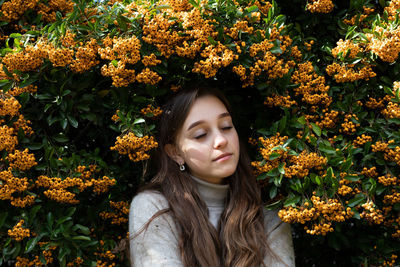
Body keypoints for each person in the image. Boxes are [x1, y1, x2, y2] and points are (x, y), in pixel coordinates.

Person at [129, 86, 295, 266]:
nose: (221, 141)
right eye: (201, 135)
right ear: (175, 153)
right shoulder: (154, 208)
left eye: (226, 127)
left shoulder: (269, 215)